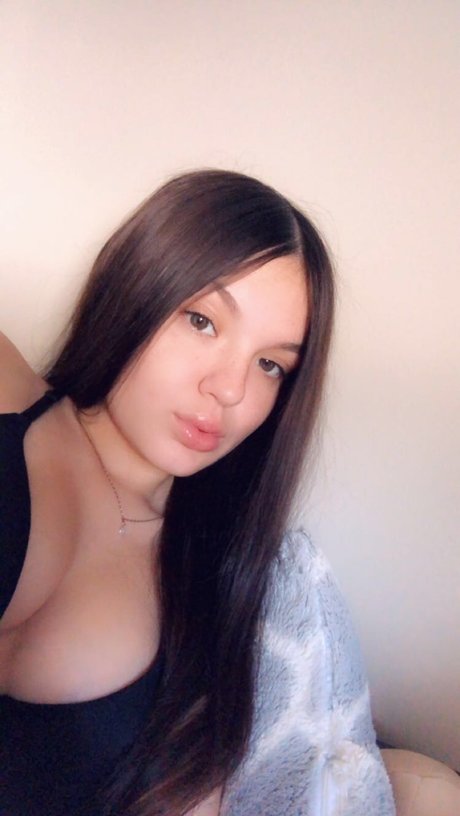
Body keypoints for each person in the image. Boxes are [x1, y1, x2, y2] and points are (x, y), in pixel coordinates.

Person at [0, 169, 395, 816]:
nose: (231, 388)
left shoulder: (212, 595)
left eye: (270, 365)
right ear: (136, 287)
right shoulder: (11, 395)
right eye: (202, 320)